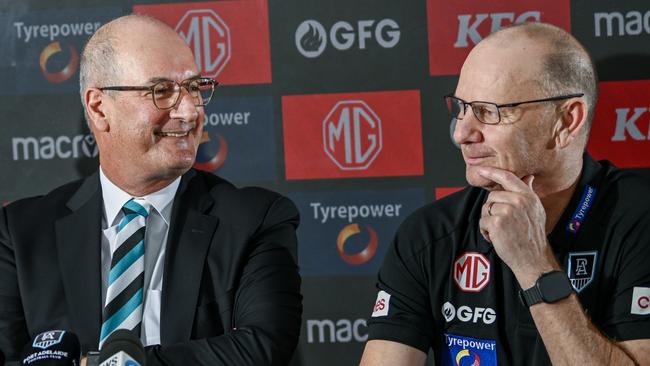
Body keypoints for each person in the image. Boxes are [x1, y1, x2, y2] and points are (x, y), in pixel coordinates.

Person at [0, 14, 302, 365]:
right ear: (99, 108)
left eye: (193, 88)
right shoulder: (20, 234)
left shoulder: (255, 220)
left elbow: (262, 349)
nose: (190, 111)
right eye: (162, 91)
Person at [360, 22, 650, 365]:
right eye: (461, 108)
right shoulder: (429, 235)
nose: (461, 133)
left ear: (567, 121)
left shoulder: (639, 219)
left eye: (488, 111)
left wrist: (534, 264)